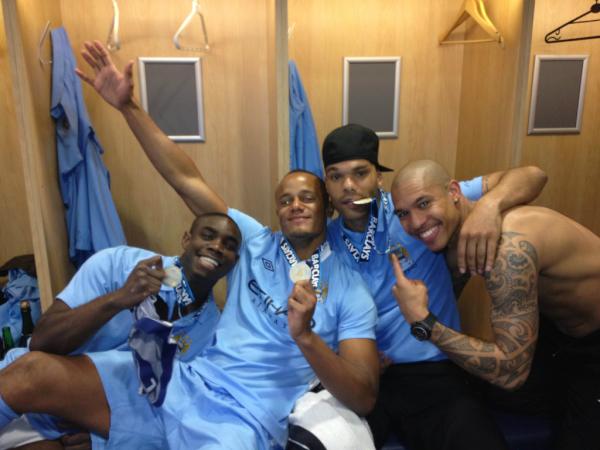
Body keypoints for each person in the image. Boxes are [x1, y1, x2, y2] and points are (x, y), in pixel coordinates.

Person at [0, 41, 379, 450]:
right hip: (176, 381)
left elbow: (363, 395)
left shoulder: (351, 289)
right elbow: (185, 178)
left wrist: (306, 337)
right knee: (30, 371)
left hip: (241, 418)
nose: (295, 206)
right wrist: (129, 108)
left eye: (307, 197)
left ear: (327, 206)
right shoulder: (254, 240)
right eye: (285, 200)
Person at [285, 124, 546, 450]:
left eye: (360, 173)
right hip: (368, 379)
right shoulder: (325, 240)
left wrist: (489, 208)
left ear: (378, 177)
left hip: (434, 373)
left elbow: (532, 175)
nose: (349, 186)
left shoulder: (413, 211)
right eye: (336, 177)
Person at [390, 159, 600, 450]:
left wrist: (424, 322)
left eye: (424, 203)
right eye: (403, 213)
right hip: (558, 334)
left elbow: (511, 372)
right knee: (475, 390)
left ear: (454, 191)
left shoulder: (508, 248)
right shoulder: (453, 234)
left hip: (592, 342)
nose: (414, 223)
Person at [0, 212, 240, 449]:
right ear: (186, 240)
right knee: (35, 371)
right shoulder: (117, 264)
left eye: (228, 246)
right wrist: (120, 298)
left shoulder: (210, 331)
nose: (217, 247)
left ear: (234, 262)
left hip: (70, 427)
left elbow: (165, 404)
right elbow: (42, 344)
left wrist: (106, 438)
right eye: (208, 236)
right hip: (22, 388)